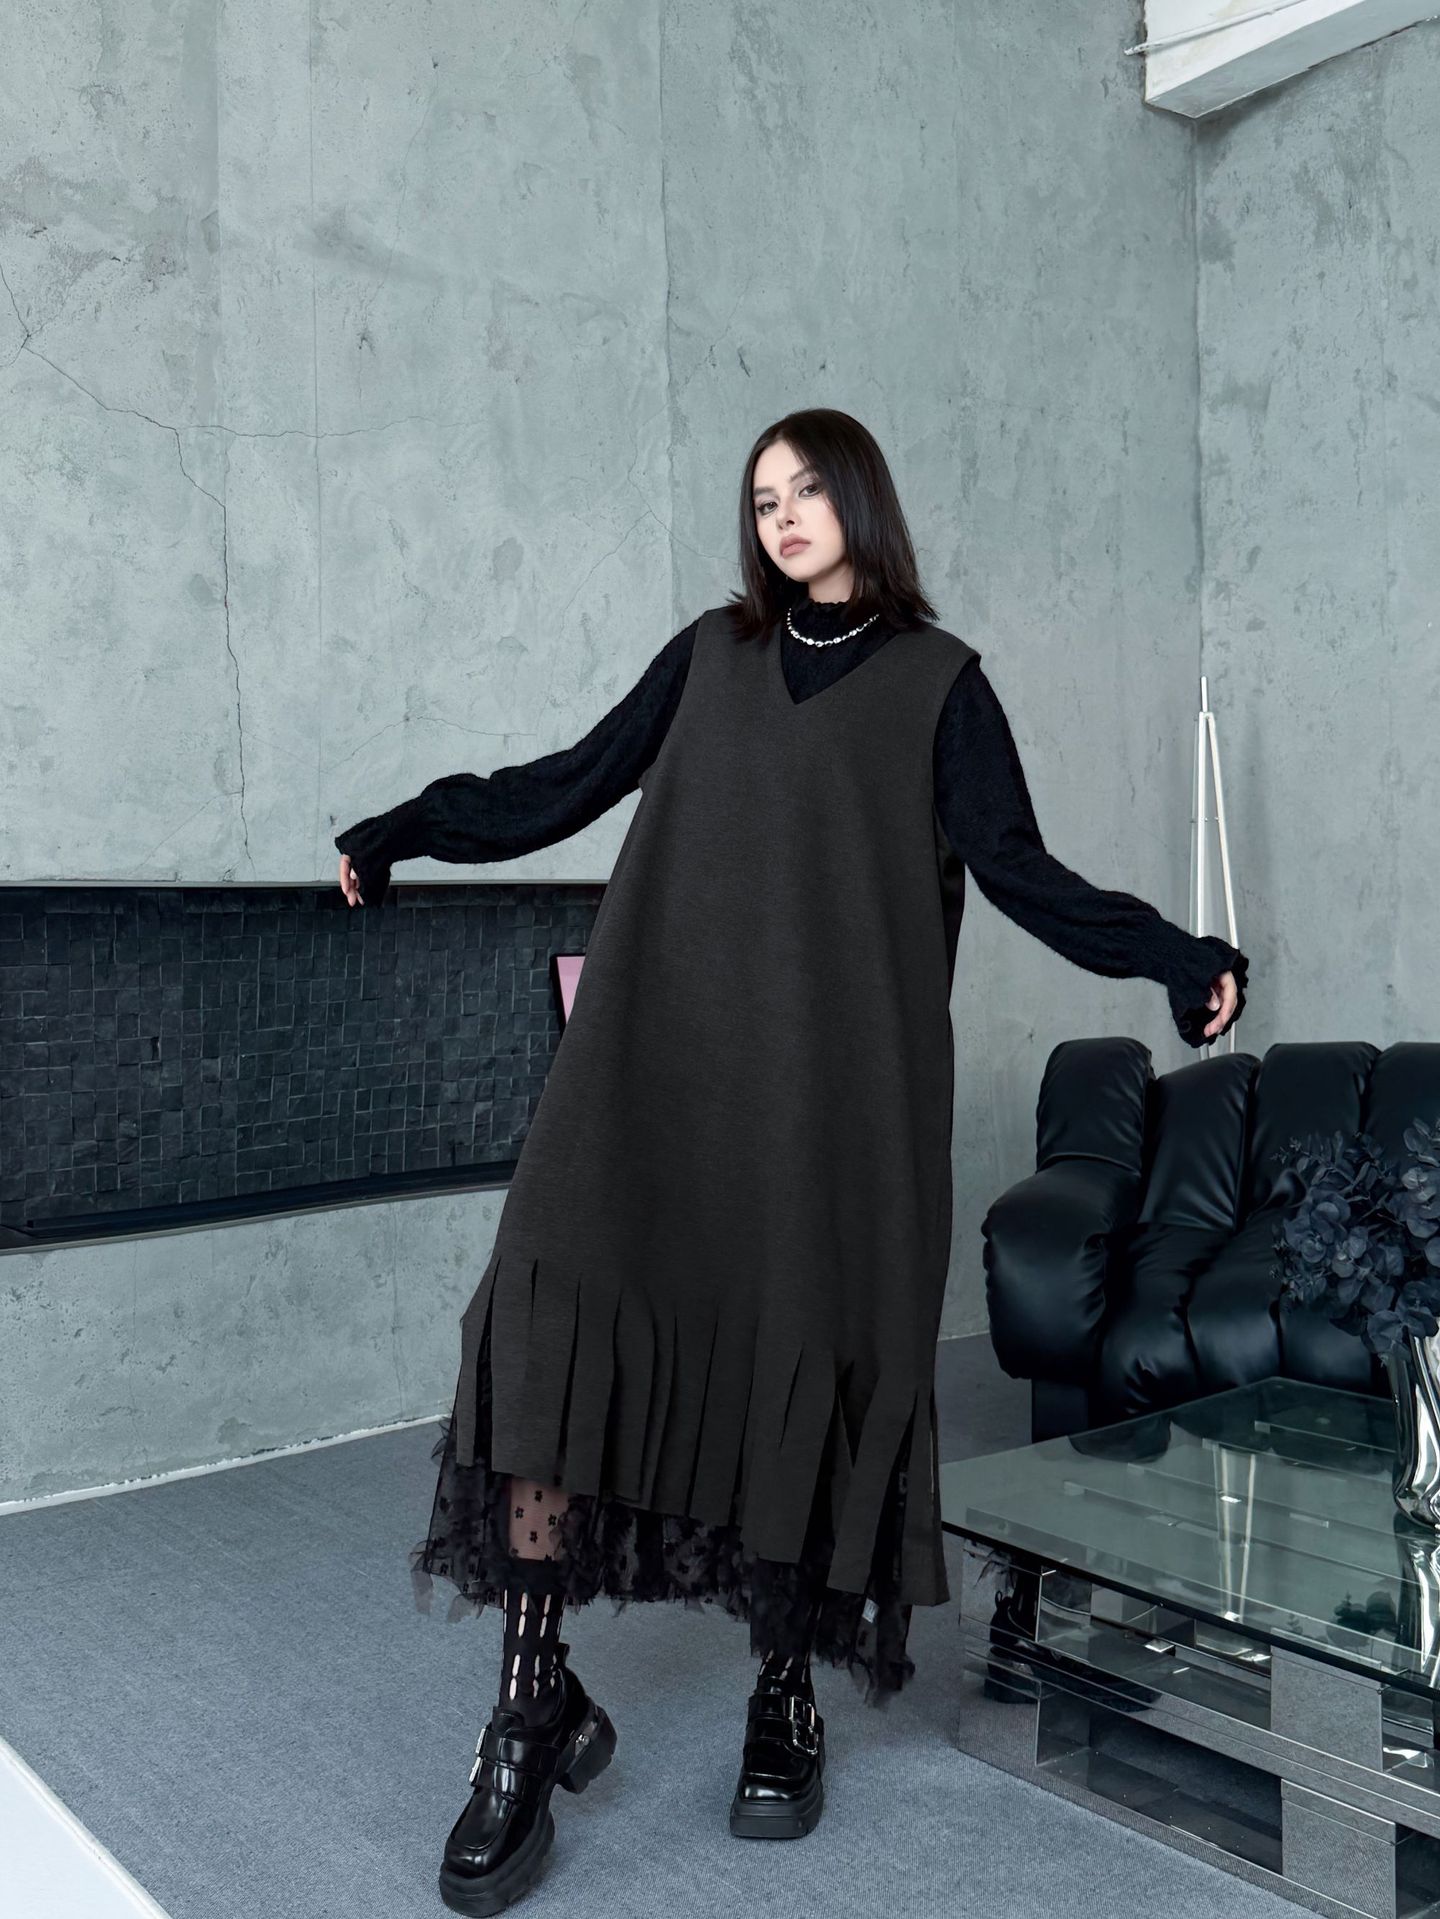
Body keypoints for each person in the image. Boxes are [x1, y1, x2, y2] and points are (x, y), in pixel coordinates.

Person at [334, 407, 1248, 1914]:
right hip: (652, 1076)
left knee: (802, 1367)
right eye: (763, 498)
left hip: (833, 1108)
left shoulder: (941, 688)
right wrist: (406, 829)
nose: (783, 515)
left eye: (809, 489)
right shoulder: (711, 656)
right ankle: (529, 1705)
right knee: (548, 1335)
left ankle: (785, 1691)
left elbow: (1020, 871)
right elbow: (565, 781)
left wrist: (1173, 955)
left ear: (861, 500)